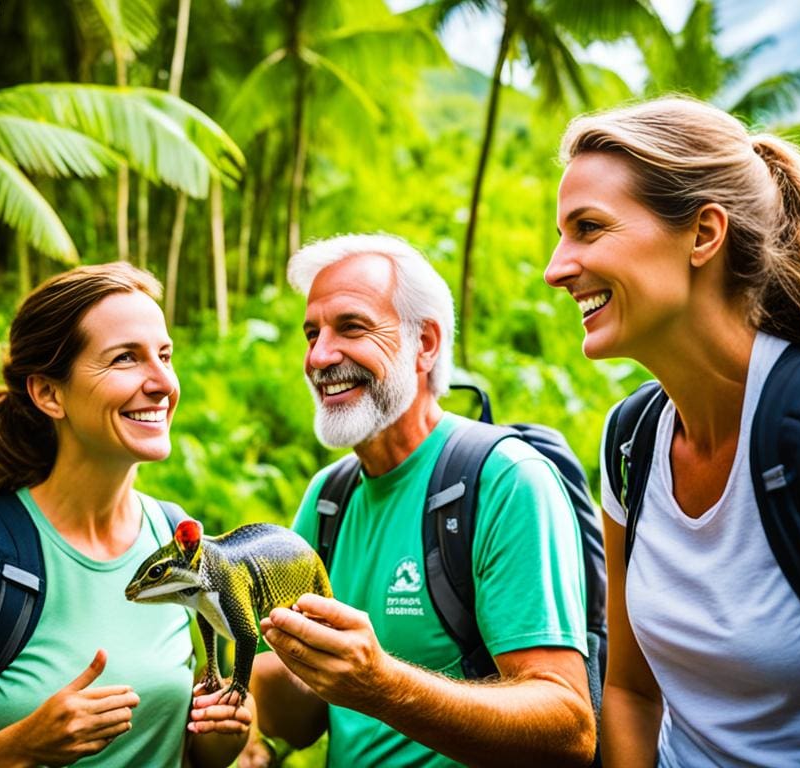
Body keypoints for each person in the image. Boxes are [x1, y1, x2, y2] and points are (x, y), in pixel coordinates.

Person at [191, 233, 596, 767]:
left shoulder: (505, 480)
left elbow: (567, 730)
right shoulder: (329, 497)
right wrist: (248, 692)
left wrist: (380, 683)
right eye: (311, 333)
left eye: (351, 327)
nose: (320, 355)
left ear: (424, 343)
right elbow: (303, 721)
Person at [544, 96, 800, 767]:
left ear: (704, 234)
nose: (556, 267)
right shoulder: (631, 440)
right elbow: (630, 691)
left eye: (589, 228)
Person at [0, 262, 250, 767]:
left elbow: (188, 755)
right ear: (48, 393)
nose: (162, 382)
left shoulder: (177, 542)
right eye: (125, 359)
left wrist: (223, 734)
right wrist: (19, 748)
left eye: (165, 355)